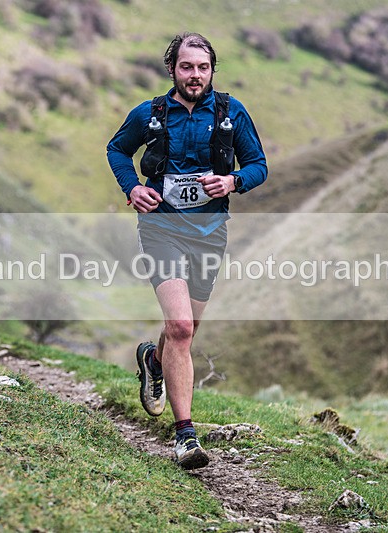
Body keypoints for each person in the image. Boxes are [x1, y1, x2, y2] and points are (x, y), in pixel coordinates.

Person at [107, 32, 267, 469]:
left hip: (210, 232)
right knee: (179, 326)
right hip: (161, 228)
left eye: (202, 67)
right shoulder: (150, 114)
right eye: (186, 67)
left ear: (212, 70)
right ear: (172, 69)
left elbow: (258, 165)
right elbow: (117, 150)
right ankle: (185, 437)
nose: (194, 75)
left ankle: (153, 360)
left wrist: (233, 181)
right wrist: (133, 188)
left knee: (188, 328)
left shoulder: (232, 113)